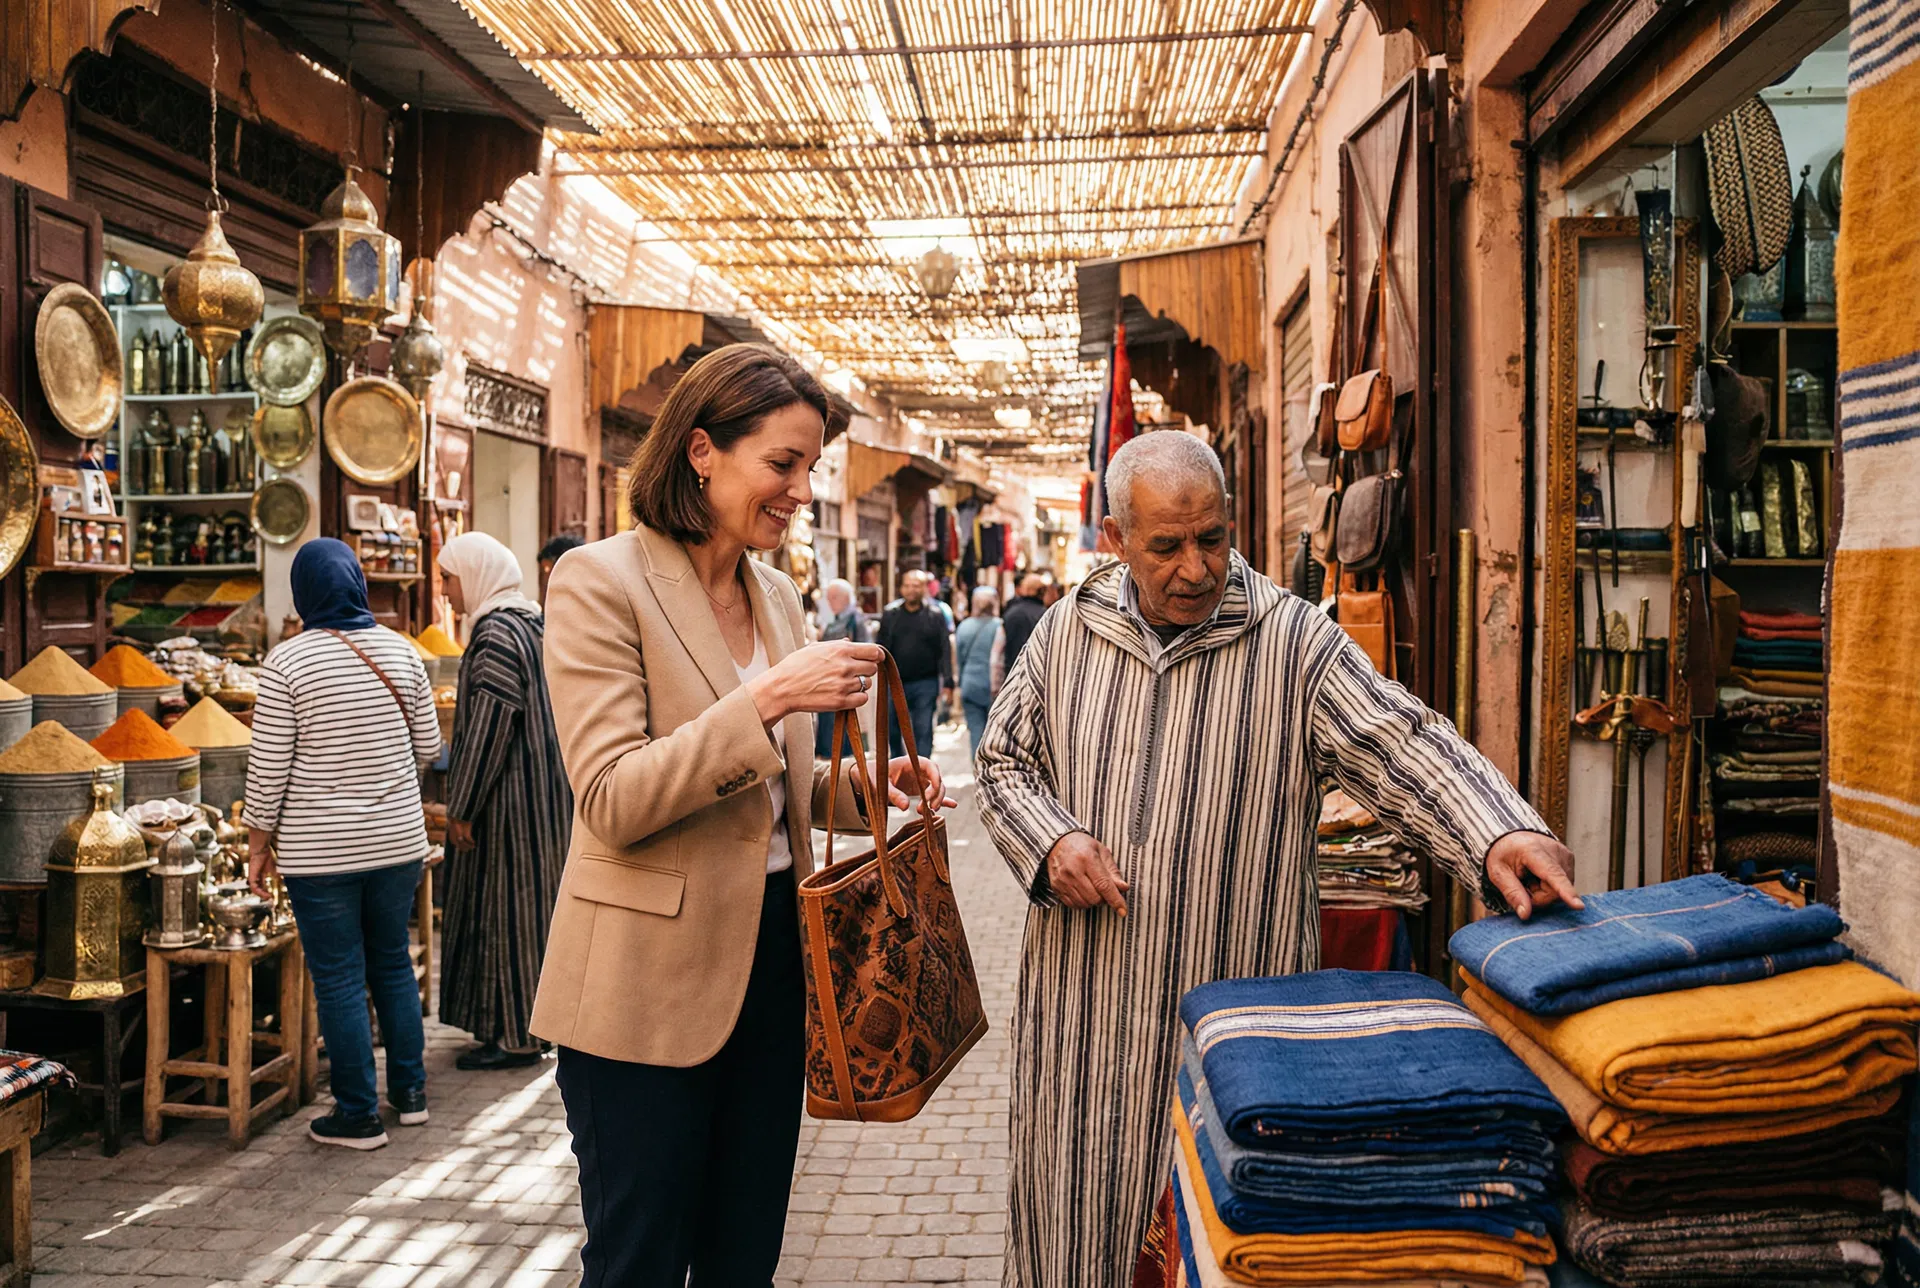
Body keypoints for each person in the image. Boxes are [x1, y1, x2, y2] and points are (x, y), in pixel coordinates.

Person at [975, 430, 1581, 1288]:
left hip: (1238, 1021)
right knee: (1074, 1237)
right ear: (1114, 539)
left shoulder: (1291, 640)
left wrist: (1497, 832)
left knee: (1231, 1235)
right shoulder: (1065, 633)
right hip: (1084, 1016)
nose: (1196, 568)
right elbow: (1003, 763)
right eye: (1166, 546)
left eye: (1212, 538)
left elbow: (1401, 742)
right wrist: (1051, 840)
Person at [530, 343, 954, 1287]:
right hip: (643, 987)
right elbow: (612, 797)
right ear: (701, 451)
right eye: (783, 464)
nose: (801, 491)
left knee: (744, 1256)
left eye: (810, 467)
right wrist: (764, 699)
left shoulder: (775, 594)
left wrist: (867, 785)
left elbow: (772, 792)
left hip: (774, 970)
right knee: (638, 1261)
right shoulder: (599, 581)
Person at [244, 539, 442, 1150]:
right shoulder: (402, 651)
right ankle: (410, 1094)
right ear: (357, 582)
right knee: (392, 961)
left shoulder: (287, 663)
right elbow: (429, 747)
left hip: (321, 853)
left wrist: (257, 846)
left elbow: (268, 771)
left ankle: (357, 1115)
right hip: (398, 844)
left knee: (338, 978)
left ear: (303, 593)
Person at [436, 531, 571, 1072]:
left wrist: (462, 807)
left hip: (512, 803)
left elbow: (488, 728)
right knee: (532, 915)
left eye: (448, 578)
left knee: (511, 916)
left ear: (474, 575)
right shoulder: (531, 623)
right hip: (543, 795)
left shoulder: (495, 634)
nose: (445, 590)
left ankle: (516, 1038)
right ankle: (533, 1028)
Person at [876, 568, 953, 760]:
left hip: (925, 682)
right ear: (901, 588)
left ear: (924, 588)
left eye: (916, 586)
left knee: (923, 729)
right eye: (907, 585)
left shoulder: (935, 615)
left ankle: (921, 769)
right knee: (892, 729)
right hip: (895, 682)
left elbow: (944, 649)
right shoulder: (891, 614)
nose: (911, 590)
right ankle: (898, 766)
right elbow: (881, 647)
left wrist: (948, 682)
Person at [814, 577, 867, 757]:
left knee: (839, 727)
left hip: (844, 683)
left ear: (846, 597)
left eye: (834, 597)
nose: (830, 602)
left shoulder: (855, 619)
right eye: (829, 598)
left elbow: (864, 651)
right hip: (830, 682)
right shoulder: (836, 620)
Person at [952, 585, 1001, 758]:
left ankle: (978, 767)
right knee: (995, 732)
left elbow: (959, 659)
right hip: (995, 685)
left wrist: (958, 684)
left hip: (970, 683)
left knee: (976, 731)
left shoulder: (964, 626)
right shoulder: (999, 626)